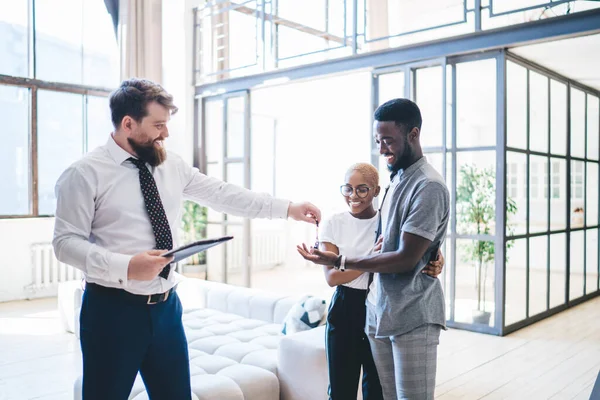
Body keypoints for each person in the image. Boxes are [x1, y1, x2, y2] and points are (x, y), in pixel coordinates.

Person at [53, 78, 321, 400]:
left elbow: (223, 195)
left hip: (167, 309)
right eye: (158, 125)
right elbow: (65, 242)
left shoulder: (171, 165)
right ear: (128, 124)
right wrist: (126, 266)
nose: (165, 133)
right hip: (112, 311)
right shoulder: (83, 174)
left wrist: (287, 208)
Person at [298, 98, 449, 400]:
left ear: (413, 135)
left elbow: (406, 257)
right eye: (378, 141)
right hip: (378, 310)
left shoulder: (427, 185)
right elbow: (402, 248)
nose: (382, 150)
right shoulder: (398, 181)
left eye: (388, 141)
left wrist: (340, 259)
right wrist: (428, 254)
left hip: (411, 314)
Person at [318, 162, 445, 400]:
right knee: (340, 391)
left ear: (377, 191)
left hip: (379, 308)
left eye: (362, 189)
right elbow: (332, 277)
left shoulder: (387, 222)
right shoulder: (333, 223)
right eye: (347, 189)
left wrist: (438, 259)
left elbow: (413, 249)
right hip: (345, 310)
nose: (353, 196)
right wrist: (371, 258)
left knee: (376, 391)